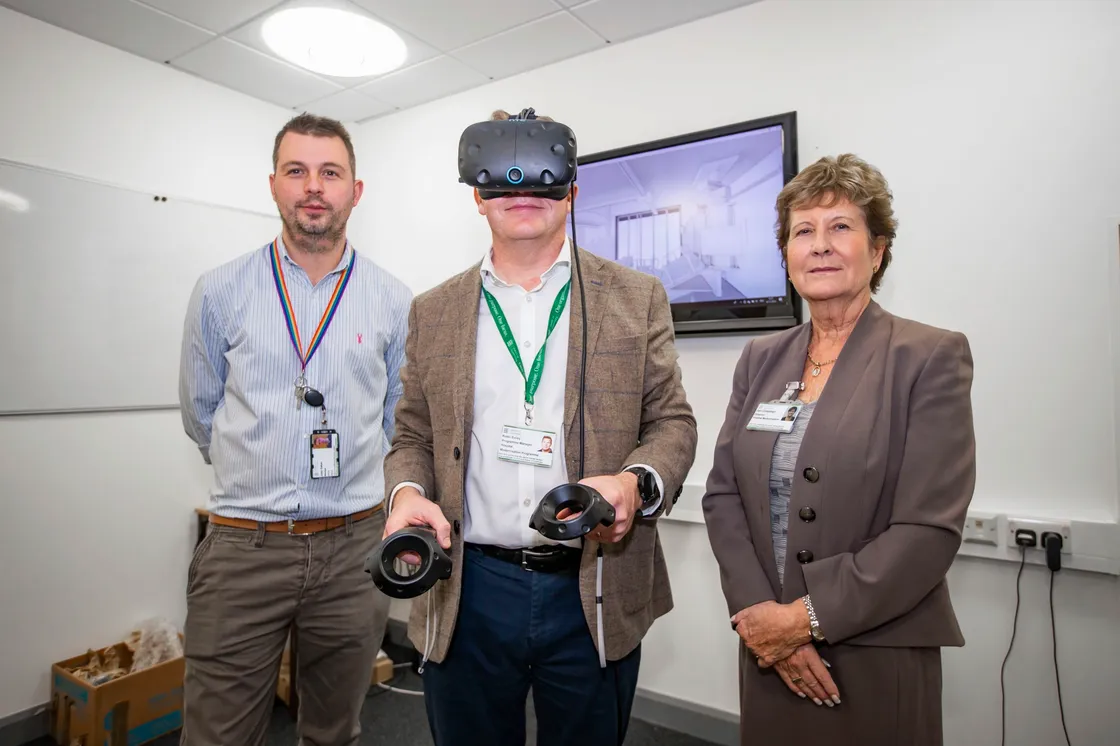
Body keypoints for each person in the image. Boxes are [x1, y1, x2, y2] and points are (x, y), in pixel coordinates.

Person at [382, 108, 698, 746]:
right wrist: (408, 494)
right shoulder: (433, 310)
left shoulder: (635, 296)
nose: (521, 192)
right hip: (468, 586)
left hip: (592, 584)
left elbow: (672, 422)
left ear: (573, 191)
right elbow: (412, 435)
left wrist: (636, 482)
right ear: (477, 196)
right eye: (501, 179)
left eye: (543, 179)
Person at [701, 153, 976, 746]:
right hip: (767, 646)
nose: (820, 245)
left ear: (877, 251)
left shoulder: (928, 356)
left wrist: (805, 621)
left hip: (875, 646)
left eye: (841, 227)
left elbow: (927, 529)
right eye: (804, 231)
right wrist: (760, 618)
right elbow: (723, 494)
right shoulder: (761, 358)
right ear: (787, 256)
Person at [178, 112, 413, 746]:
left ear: (354, 191)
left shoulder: (394, 301)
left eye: (330, 172)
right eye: (297, 171)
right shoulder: (220, 290)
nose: (314, 186)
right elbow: (200, 414)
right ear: (275, 185)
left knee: (333, 732)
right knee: (217, 735)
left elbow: (397, 421)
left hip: (352, 552)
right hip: (242, 550)